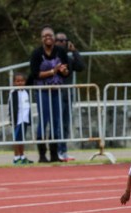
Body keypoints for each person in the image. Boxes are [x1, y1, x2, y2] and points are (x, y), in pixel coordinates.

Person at [29, 25, 70, 163]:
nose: (48, 38)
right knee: (44, 119)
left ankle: (54, 153)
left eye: (50, 35)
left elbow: (66, 71)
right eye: (45, 36)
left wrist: (63, 71)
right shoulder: (37, 53)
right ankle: (42, 154)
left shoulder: (60, 51)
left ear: (54, 38)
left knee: (56, 121)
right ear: (41, 39)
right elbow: (35, 74)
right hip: (42, 90)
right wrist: (53, 71)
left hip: (56, 90)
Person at [54, 32, 85, 162]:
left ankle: (63, 151)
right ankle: (55, 151)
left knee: (65, 124)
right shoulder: (52, 58)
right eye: (59, 40)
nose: (62, 43)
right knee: (57, 124)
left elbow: (81, 67)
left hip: (67, 94)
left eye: (64, 41)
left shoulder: (68, 59)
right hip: (56, 94)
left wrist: (75, 51)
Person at [8, 72, 33, 165]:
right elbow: (10, 107)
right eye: (18, 81)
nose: (20, 83)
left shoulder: (26, 92)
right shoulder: (13, 93)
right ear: (14, 82)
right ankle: (16, 157)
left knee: (22, 139)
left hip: (25, 119)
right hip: (17, 120)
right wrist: (12, 118)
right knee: (16, 139)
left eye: (22, 81)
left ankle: (22, 156)